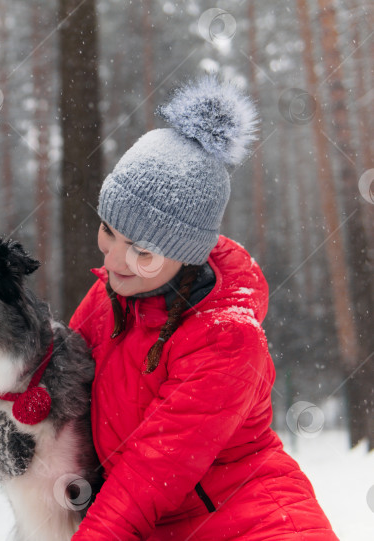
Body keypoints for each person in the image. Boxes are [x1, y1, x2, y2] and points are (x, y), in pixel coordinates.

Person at [68, 76, 338, 540]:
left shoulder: (228, 339)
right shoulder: (110, 297)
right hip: (151, 520)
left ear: (184, 252)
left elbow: (150, 471)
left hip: (249, 517)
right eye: (108, 230)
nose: (112, 258)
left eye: (141, 249)